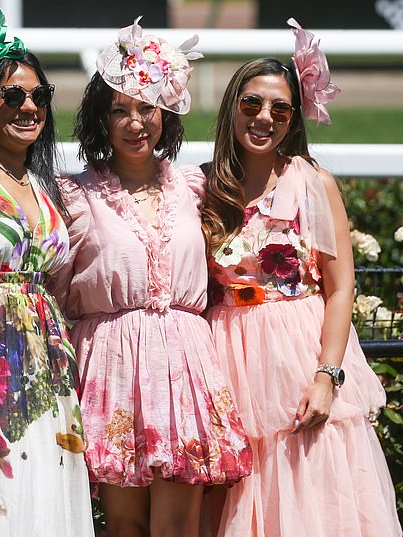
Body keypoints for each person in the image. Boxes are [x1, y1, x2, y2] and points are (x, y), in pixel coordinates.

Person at [49, 18, 252, 537]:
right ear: (101, 118)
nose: (135, 122)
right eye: (119, 109)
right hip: (113, 364)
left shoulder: (194, 188)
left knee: (177, 526)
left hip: (186, 364)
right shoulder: (75, 196)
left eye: (146, 108)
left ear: (167, 113)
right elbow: (55, 293)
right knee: (124, 526)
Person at [201, 19, 402, 537]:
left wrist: (326, 375)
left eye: (280, 109)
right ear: (232, 108)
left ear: (293, 120)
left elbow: (340, 289)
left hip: (298, 356)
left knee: (305, 493)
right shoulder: (203, 186)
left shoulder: (311, 183)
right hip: (228, 359)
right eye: (251, 104)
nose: (264, 117)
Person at [0, 10, 94, 536]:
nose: (29, 107)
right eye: (12, 96)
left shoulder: (45, 182)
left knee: (42, 484)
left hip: (43, 361)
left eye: (40, 96)